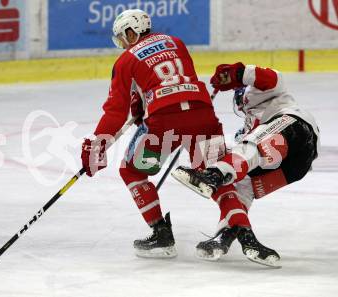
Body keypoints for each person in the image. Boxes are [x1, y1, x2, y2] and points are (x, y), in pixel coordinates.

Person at [80, 9, 223, 258]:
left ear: (130, 32)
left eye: (122, 38)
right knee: (215, 175)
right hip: (203, 115)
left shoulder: (125, 60)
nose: (122, 45)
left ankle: (161, 235)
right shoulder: (176, 42)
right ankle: (237, 229)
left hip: (164, 122)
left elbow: (115, 112)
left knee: (131, 170)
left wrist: (98, 143)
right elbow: (175, 81)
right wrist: (142, 101)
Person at [172, 62, 320, 267]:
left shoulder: (263, 90)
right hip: (294, 167)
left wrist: (236, 73)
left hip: (296, 130)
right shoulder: (246, 129)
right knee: (242, 187)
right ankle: (228, 235)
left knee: (251, 147)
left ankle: (214, 175)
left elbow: (271, 77)